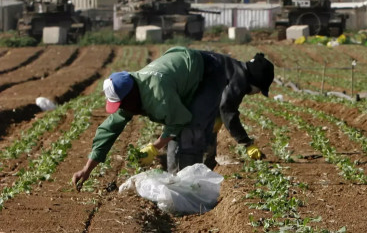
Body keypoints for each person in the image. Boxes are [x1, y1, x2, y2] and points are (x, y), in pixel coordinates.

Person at [72, 46, 274, 190]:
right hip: (186, 68)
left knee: (191, 132)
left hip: (206, 71)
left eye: (121, 104)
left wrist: (154, 147)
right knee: (192, 128)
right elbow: (108, 130)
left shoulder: (156, 95)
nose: (121, 109)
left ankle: (190, 187)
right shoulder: (129, 95)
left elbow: (180, 121)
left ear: (130, 95)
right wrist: (86, 169)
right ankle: (180, 179)